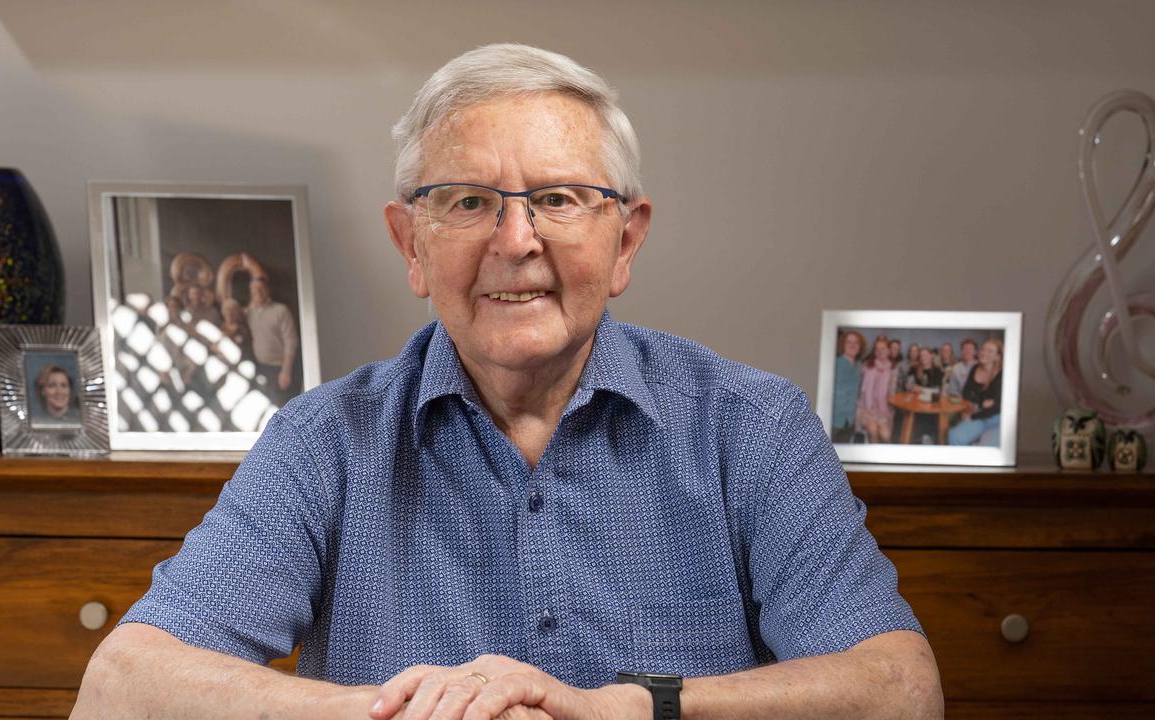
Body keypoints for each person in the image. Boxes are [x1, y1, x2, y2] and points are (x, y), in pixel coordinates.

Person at [71, 44, 941, 720]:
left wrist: (632, 706)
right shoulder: (324, 442)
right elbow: (123, 687)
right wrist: (407, 712)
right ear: (411, 244)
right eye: (467, 201)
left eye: (559, 198)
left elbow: (900, 691)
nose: (516, 240)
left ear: (626, 240)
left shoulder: (749, 429)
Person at [245, 275, 300, 407]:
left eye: (260, 289)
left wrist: (286, 371)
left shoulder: (280, 310)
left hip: (279, 369)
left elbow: (291, 341)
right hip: (260, 368)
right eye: (254, 290)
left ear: (267, 290)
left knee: (280, 407)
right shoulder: (250, 312)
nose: (257, 293)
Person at [949, 338, 1003, 446]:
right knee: (954, 435)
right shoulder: (974, 368)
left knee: (986, 448)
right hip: (978, 415)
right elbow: (966, 393)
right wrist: (982, 403)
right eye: (983, 349)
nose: (984, 353)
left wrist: (973, 414)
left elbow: (997, 407)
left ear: (997, 356)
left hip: (997, 420)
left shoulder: (1002, 374)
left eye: (990, 351)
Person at [856, 336, 897, 444]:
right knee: (873, 430)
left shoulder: (892, 369)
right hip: (867, 408)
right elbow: (863, 391)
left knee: (885, 435)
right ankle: (874, 459)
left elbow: (892, 391)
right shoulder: (867, 366)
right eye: (877, 349)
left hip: (884, 409)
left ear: (888, 350)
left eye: (883, 348)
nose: (880, 351)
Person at [830, 329, 864, 442]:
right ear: (843, 345)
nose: (852, 345)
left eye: (856, 343)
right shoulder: (834, 364)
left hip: (850, 420)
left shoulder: (860, 366)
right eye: (849, 342)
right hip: (833, 418)